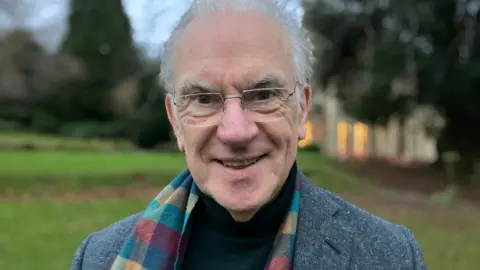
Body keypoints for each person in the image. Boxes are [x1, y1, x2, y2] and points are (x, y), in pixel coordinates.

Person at [70, 0, 427, 269]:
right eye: (204, 99)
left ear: (302, 108)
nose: (236, 131)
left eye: (264, 94)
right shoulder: (98, 259)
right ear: (176, 120)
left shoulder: (391, 256)